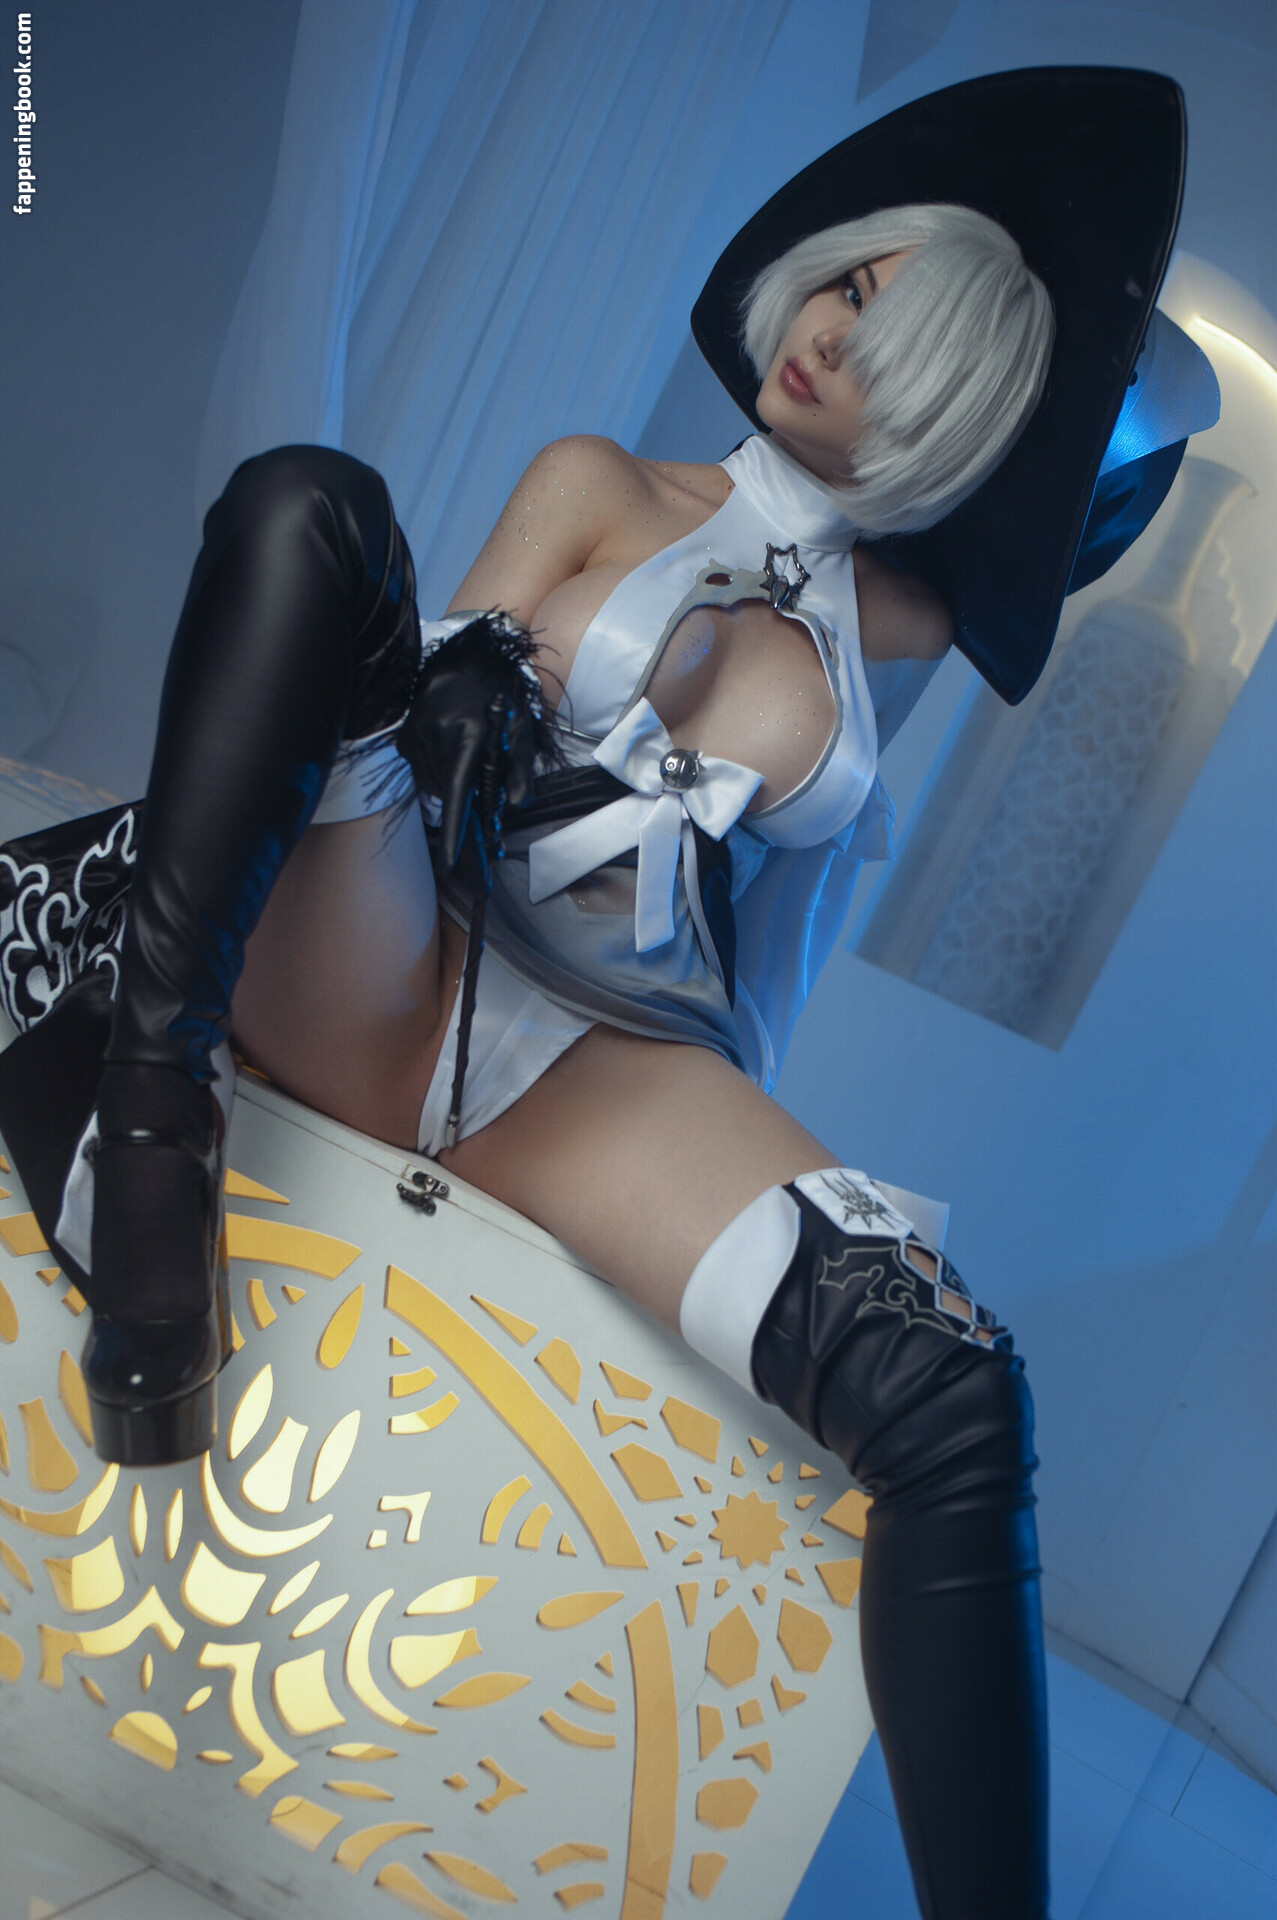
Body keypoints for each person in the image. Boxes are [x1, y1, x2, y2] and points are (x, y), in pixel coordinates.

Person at [0, 67, 1217, 1920]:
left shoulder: (892, 636)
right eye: (854, 284)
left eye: (904, 349)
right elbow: (375, 702)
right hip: (390, 957)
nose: (836, 334)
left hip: (603, 1067)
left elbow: (1046, 544)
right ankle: (149, 1160)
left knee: (958, 1398)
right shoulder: (597, 483)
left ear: (957, 422)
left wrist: (759, 1189)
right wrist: (453, 682)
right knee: (310, 506)